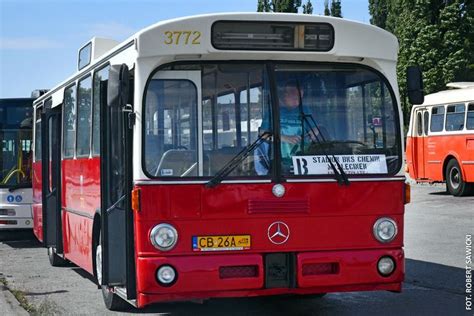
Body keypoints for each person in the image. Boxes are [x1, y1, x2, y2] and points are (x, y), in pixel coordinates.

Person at [254, 80, 325, 175]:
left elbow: (314, 129)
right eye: (295, 97)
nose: (298, 101)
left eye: (300, 97)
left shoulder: (305, 110)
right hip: (278, 161)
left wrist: (312, 134)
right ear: (285, 96)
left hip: (302, 160)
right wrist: (285, 138)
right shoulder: (274, 111)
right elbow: (262, 134)